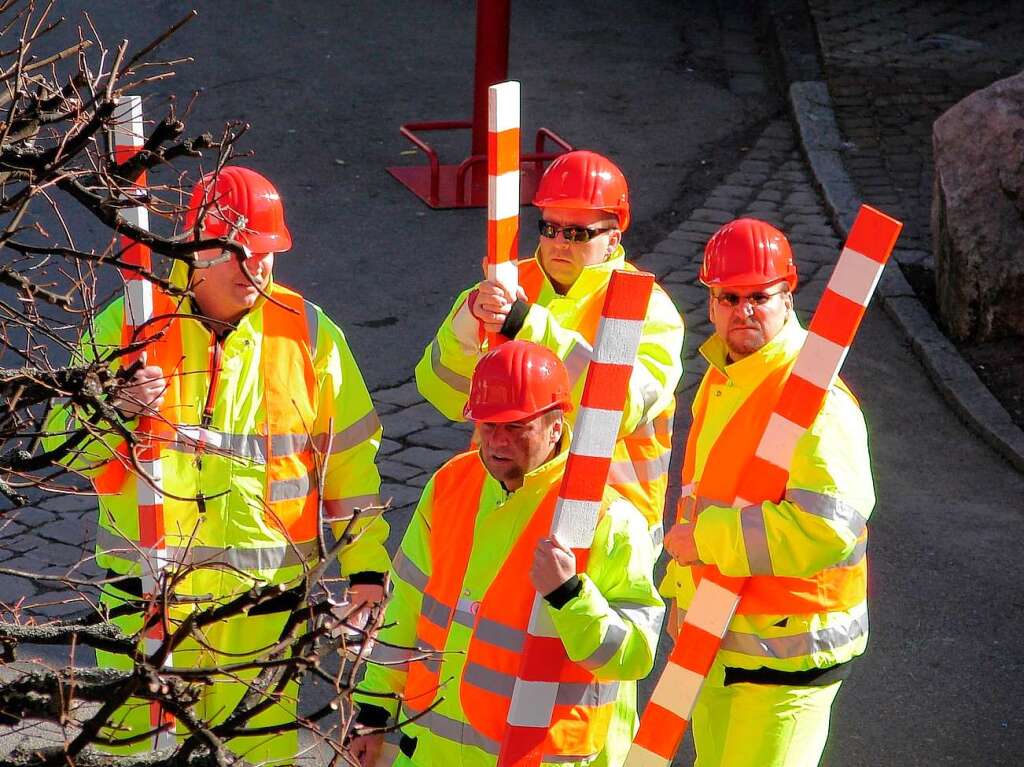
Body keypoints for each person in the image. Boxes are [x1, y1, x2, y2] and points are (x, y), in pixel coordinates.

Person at [44, 166, 388, 764]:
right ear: (199, 249)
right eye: (241, 255)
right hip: (147, 607)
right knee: (134, 755)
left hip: (264, 613)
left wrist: (367, 573)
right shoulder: (130, 326)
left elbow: (351, 464)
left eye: (268, 254)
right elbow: (61, 451)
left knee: (260, 756)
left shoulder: (309, 334)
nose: (258, 270)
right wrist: (113, 411)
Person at [350, 341, 663, 767]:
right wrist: (373, 710)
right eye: (487, 425)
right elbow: (405, 606)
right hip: (428, 750)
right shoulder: (450, 485)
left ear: (556, 426)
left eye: (516, 428)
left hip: (530, 758)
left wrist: (571, 597)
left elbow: (633, 656)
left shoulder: (609, 520)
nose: (497, 442)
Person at [660, 218, 875, 767]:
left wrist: (705, 541)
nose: (743, 309)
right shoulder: (725, 374)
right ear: (710, 300)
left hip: (787, 656)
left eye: (760, 296)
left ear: (788, 293)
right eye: (729, 296)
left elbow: (829, 526)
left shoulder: (813, 396)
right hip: (720, 635)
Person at [414, 150, 684, 543]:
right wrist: (467, 322)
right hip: (507, 501)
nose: (560, 243)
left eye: (577, 233)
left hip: (609, 521)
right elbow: (441, 391)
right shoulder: (506, 283)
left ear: (613, 236)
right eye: (550, 228)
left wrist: (529, 326)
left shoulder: (648, 308)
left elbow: (619, 412)